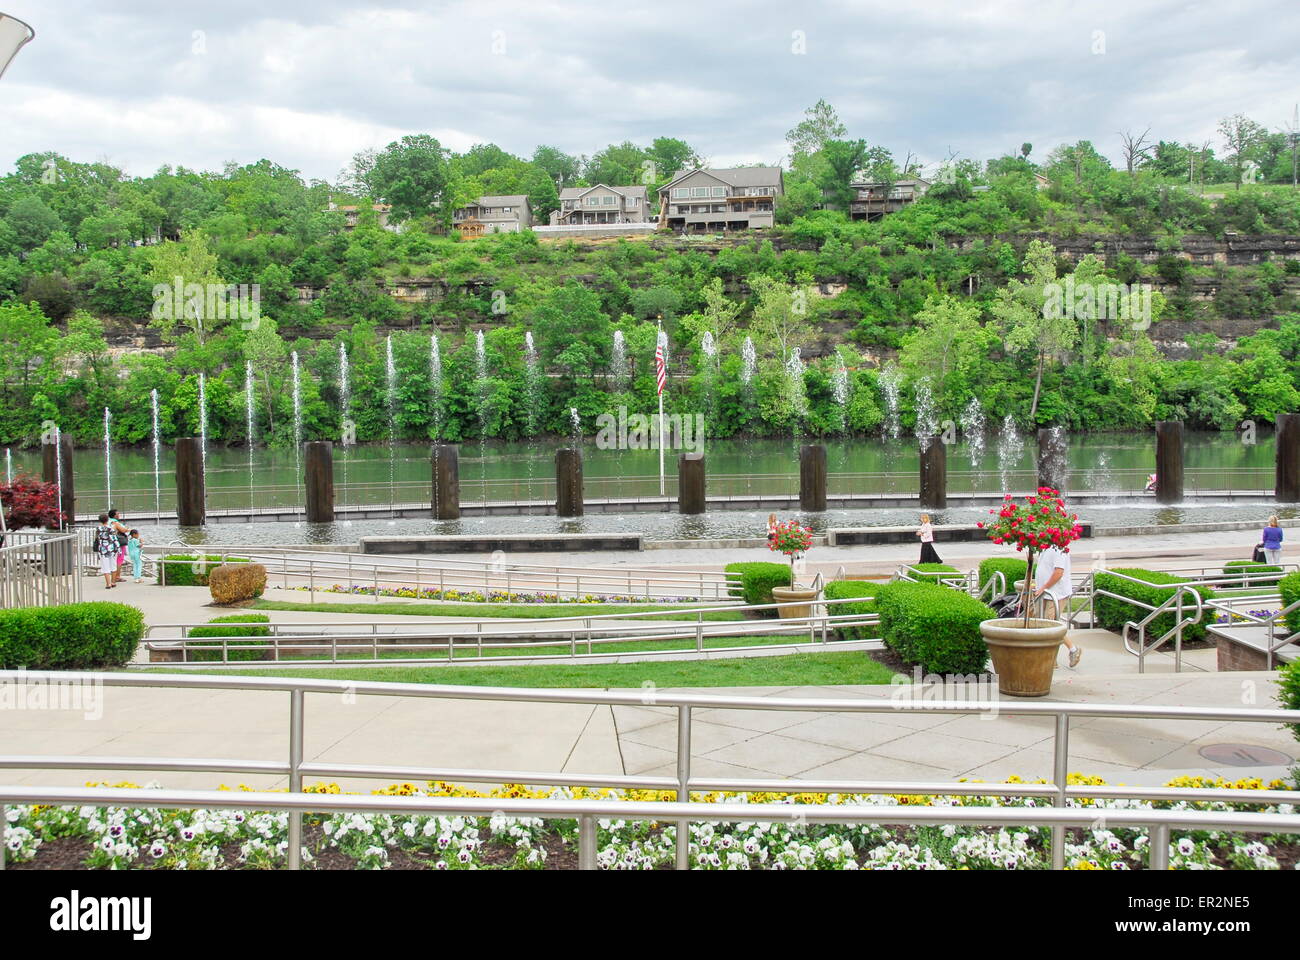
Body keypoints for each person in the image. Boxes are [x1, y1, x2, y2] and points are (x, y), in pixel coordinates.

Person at [1031, 545, 1082, 668]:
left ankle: (1063, 654)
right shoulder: (1044, 547)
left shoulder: (1059, 548)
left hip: (1056, 594)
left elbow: (1058, 573)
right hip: (1044, 592)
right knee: (1041, 623)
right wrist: (1038, 585)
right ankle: (1056, 656)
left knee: (1051, 626)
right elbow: (1045, 568)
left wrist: (1043, 587)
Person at [94, 514, 118, 589]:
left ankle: (108, 584)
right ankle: (113, 582)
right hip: (111, 548)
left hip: (103, 549)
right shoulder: (111, 528)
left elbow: (97, 538)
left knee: (105, 566)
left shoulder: (98, 528)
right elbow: (114, 538)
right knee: (113, 565)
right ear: (107, 520)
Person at [107, 509, 129, 584]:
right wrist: (127, 529)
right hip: (118, 543)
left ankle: (113, 577)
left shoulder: (108, 522)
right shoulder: (115, 522)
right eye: (118, 514)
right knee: (119, 560)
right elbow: (123, 530)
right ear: (114, 515)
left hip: (109, 543)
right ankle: (117, 576)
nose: (119, 515)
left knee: (113, 560)